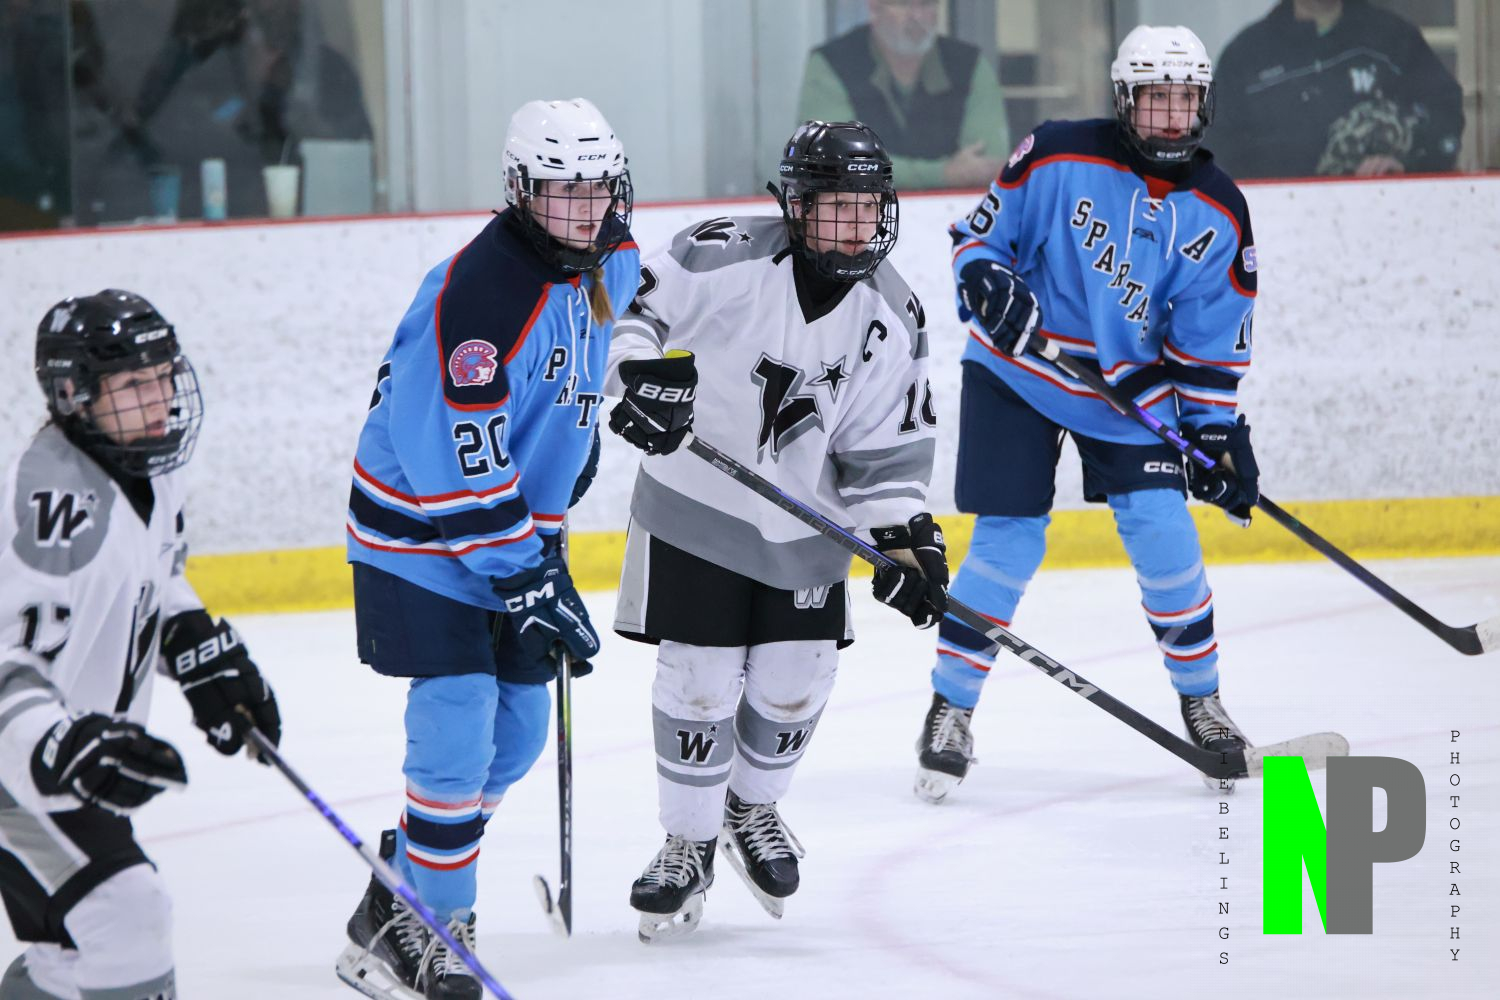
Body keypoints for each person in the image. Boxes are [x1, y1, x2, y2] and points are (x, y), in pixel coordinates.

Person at [609, 120, 950, 942]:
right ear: (795, 206)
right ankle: (687, 843)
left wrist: (907, 541)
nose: (855, 226)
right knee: (698, 679)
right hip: (696, 508)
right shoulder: (721, 254)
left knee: (796, 681)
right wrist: (637, 380)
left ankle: (751, 810)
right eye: (836, 207)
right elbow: (629, 314)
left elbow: (885, 452)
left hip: (807, 529)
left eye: (868, 208)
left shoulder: (893, 312)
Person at [334, 98, 637, 999]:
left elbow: (621, 328)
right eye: (562, 190)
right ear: (520, 190)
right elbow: (456, 468)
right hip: (420, 532)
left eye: (599, 188)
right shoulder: (478, 299)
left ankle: (398, 892)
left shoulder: (610, 253)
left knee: (519, 734)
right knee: (459, 724)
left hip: (517, 535)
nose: (585, 208)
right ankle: (436, 926)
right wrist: (526, 574)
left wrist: (636, 394)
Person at [915, 25, 1261, 804]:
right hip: (1019, 371)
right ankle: (950, 709)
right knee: (1007, 539)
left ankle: (1202, 702)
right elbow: (979, 241)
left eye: (1183, 100)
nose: (1169, 117)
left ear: (1203, 104)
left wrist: (1212, 433)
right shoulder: (1056, 153)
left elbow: (1209, 341)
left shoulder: (1220, 211)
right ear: (1124, 100)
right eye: (1154, 99)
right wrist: (989, 283)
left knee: (1164, 531)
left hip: (1126, 393)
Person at [0, 289, 282, 1000]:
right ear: (74, 395)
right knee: (126, 915)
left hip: (57, 762)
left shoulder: (150, 463)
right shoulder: (50, 505)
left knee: (77, 951)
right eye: (132, 385)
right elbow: (8, 661)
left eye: (163, 376)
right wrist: (60, 744)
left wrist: (195, 644)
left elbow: (152, 577)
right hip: (16, 773)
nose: (158, 399)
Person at [1212, 0, 1463, 179]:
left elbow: (1444, 113)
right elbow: (1218, 149)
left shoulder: (1394, 38)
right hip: (1278, 223)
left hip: (1386, 213)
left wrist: (1407, 165)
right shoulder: (1245, 56)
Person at [796, 0, 1010, 190]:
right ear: (874, 8)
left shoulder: (968, 65)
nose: (916, 16)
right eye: (904, 3)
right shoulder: (833, 63)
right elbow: (832, 161)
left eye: (926, 3)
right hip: (854, 215)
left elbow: (986, 163)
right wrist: (944, 173)